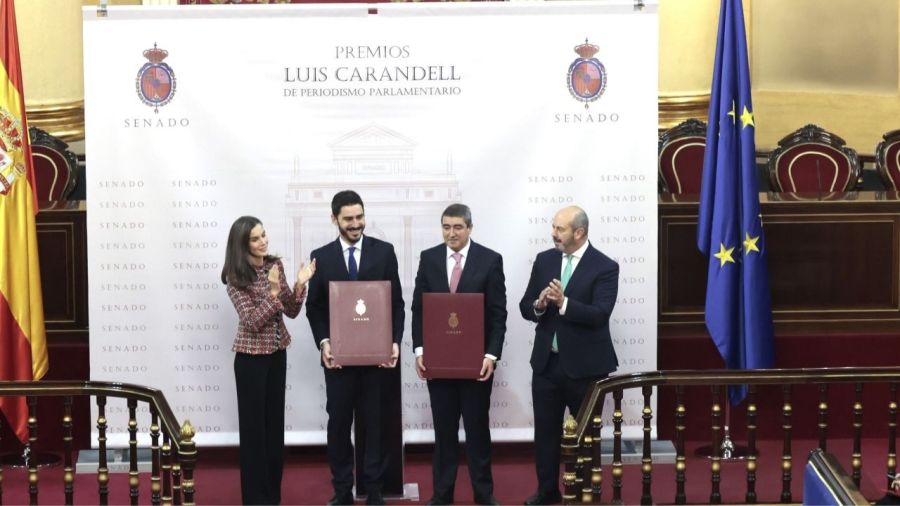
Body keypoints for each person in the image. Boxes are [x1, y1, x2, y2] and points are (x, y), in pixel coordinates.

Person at [306, 190, 405, 506]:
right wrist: (324, 343)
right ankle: (342, 491)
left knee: (375, 426)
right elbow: (315, 308)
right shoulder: (321, 256)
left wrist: (393, 343)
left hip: (377, 360)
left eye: (360, 217)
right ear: (334, 219)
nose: (356, 224)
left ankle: (373, 490)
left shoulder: (384, 252)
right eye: (348, 218)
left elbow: (397, 304)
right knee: (338, 427)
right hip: (338, 362)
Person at [518, 205, 619, 505]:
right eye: (553, 227)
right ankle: (547, 491)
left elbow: (600, 314)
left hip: (587, 370)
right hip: (547, 365)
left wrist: (563, 303)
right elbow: (525, 305)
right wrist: (539, 304)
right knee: (546, 433)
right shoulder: (545, 260)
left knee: (587, 437)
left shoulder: (604, 266)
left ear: (580, 232)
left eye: (559, 229)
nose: (553, 234)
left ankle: (587, 491)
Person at [411, 204, 506, 506]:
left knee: (477, 432)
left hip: (476, 365)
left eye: (457, 227)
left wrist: (491, 355)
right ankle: (442, 494)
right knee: (444, 433)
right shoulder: (428, 259)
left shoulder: (490, 260)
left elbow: (497, 314)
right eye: (446, 227)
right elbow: (418, 309)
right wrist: (420, 350)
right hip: (438, 363)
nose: (451, 233)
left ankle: (483, 493)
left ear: (470, 228)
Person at [221, 215, 316, 505]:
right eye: (256, 238)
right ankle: (254, 499)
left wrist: (299, 286)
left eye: (264, 235)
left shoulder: (275, 265)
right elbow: (251, 321)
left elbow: (290, 310)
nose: (264, 242)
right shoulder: (236, 278)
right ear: (242, 244)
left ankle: (272, 496)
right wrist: (273, 294)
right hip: (250, 359)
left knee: (274, 428)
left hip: (276, 353)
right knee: (253, 432)